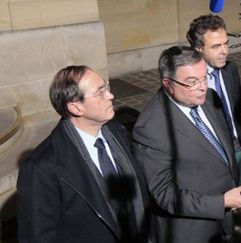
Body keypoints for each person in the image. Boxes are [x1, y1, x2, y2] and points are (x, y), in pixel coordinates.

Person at [132, 46, 241, 243]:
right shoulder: (150, 128)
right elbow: (165, 195)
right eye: (192, 82)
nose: (203, 87)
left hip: (224, 221)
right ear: (168, 84)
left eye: (205, 77)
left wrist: (239, 174)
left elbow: (226, 141)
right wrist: (221, 202)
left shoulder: (210, 98)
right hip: (190, 231)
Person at [17, 66, 148, 243]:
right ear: (76, 107)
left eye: (106, 88)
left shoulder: (119, 133)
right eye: (100, 92)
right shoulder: (41, 168)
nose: (111, 96)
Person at [187, 14, 241, 151]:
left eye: (226, 44)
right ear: (198, 48)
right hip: (211, 153)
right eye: (216, 47)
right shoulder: (188, 81)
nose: (224, 51)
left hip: (236, 146)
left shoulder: (231, 70)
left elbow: (236, 113)